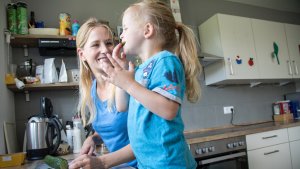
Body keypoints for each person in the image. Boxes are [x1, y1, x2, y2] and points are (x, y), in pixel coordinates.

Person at [100, 0, 202, 168]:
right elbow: (121, 106)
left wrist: (129, 84)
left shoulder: (166, 61)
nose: (121, 35)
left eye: (125, 28)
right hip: (147, 163)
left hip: (168, 163)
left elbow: (169, 110)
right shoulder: (139, 70)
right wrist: (121, 72)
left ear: (147, 30)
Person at [68, 17, 137, 169]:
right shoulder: (92, 90)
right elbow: (116, 130)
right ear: (82, 54)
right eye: (95, 45)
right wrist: (93, 138)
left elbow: (148, 138)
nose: (105, 50)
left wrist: (102, 162)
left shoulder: (132, 80)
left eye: (108, 43)